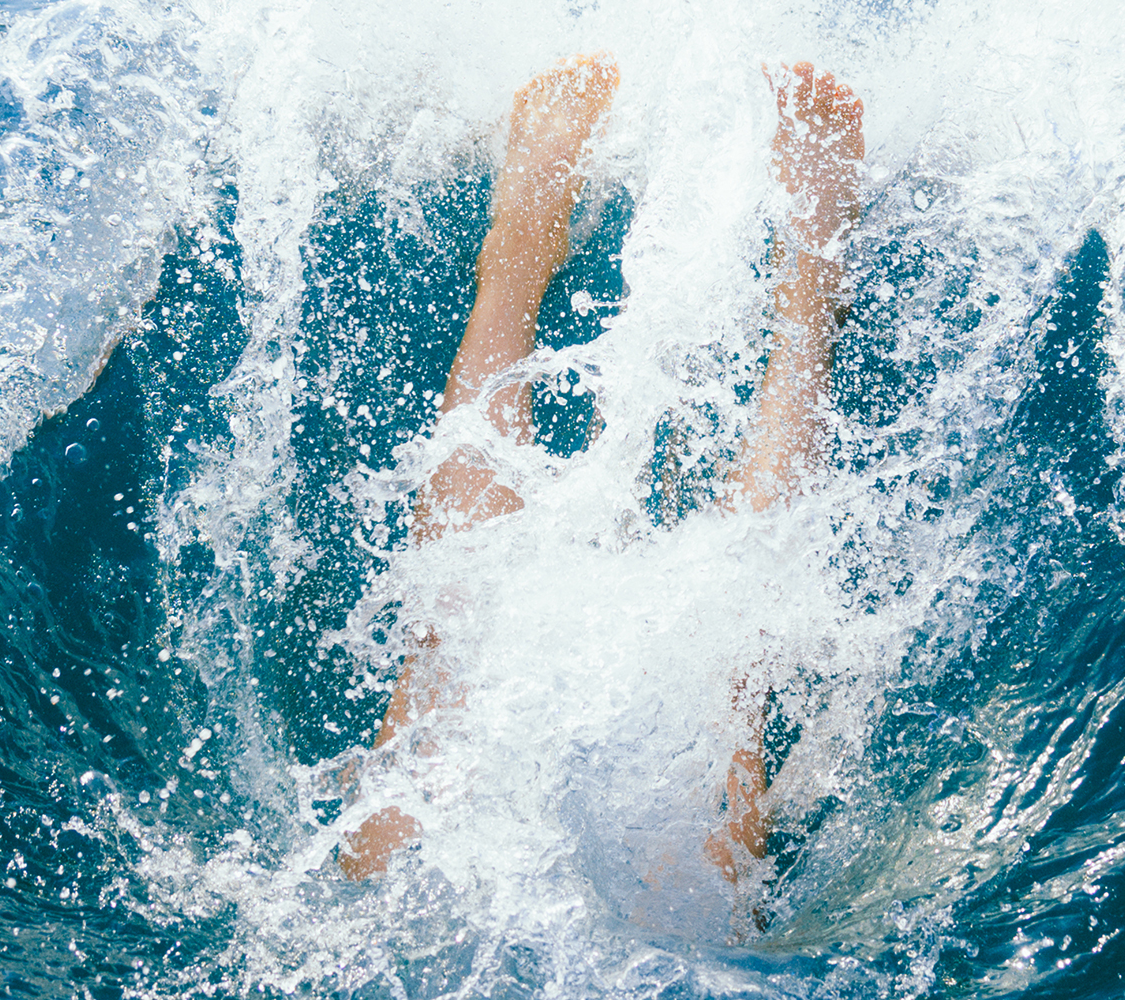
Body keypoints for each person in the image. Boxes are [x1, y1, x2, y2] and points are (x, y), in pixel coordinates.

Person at [338, 53, 865, 885]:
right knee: (731, 662)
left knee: (453, 623)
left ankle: (516, 254)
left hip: (414, 970)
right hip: (672, 984)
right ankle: (810, 293)